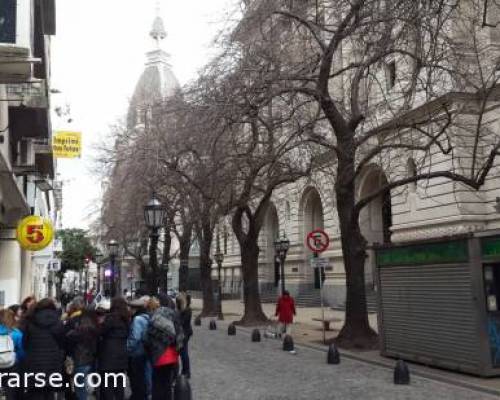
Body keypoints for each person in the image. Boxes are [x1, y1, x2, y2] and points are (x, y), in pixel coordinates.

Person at [22, 298, 65, 400]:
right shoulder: (58, 322)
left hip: (34, 363)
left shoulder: (30, 321)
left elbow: (25, 343)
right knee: (49, 391)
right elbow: (62, 343)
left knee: (36, 393)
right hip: (53, 363)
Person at [145, 293, 184, 400]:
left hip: (158, 355)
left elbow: (148, 336)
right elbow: (180, 335)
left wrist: (148, 350)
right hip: (171, 355)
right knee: (167, 383)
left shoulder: (154, 315)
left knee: (157, 383)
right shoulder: (174, 314)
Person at [65, 300, 99, 400]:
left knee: (80, 386)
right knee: (85, 384)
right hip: (91, 358)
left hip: (80, 358)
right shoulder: (95, 327)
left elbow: (68, 337)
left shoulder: (79, 328)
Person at [98, 297, 129, 400]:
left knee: (108, 385)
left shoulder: (110, 318)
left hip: (108, 356)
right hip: (122, 356)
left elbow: (101, 331)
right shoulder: (126, 319)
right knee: (119, 385)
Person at [127, 296, 150, 400]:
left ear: (135, 309)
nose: (129, 310)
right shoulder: (146, 317)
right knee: (142, 376)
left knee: (136, 378)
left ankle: (138, 396)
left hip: (137, 353)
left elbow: (135, 337)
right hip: (144, 351)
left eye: (131, 308)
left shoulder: (137, 319)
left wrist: (127, 347)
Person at [0, 309, 24, 400]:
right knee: (11, 392)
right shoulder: (16, 333)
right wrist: (14, 358)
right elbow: (22, 353)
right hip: (12, 367)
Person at [176, 293, 192, 379]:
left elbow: (182, 322)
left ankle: (186, 371)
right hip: (182, 333)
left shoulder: (187, 310)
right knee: (182, 353)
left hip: (184, 334)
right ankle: (184, 370)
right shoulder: (181, 310)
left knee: (184, 353)